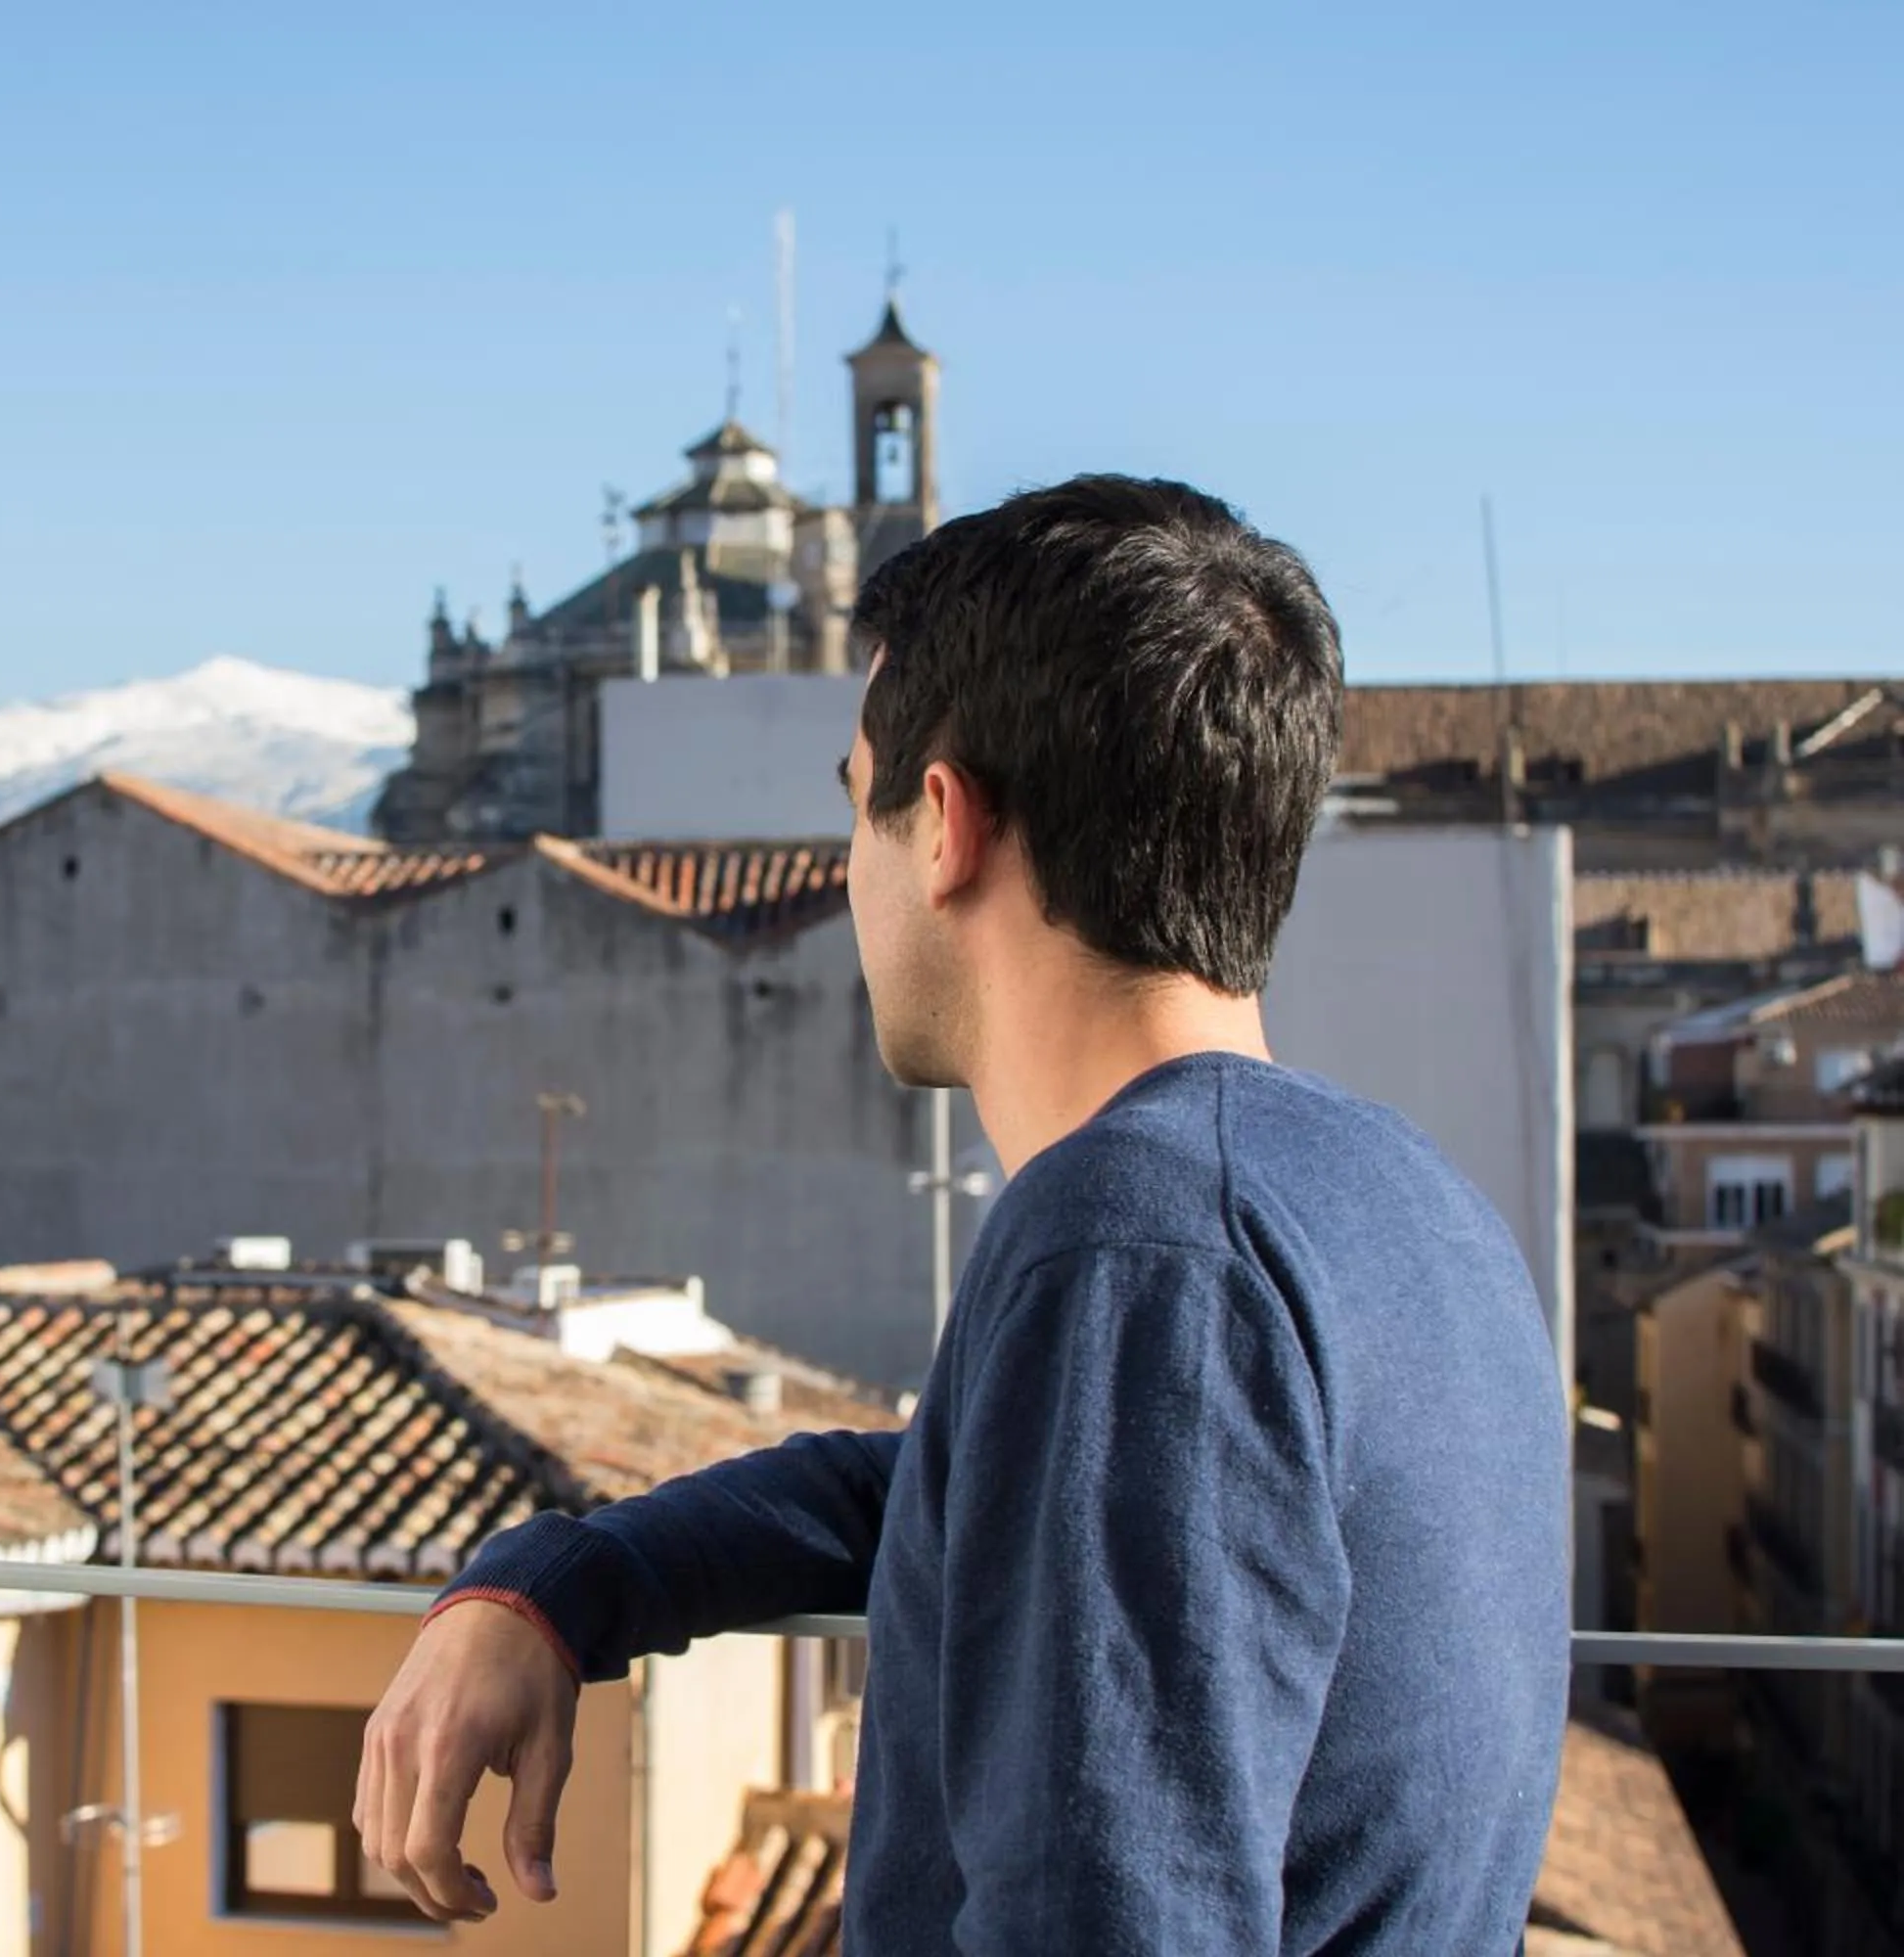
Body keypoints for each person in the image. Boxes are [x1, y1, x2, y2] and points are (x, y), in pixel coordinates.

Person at [354, 476, 1570, 1953]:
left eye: (851, 799)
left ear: (942, 823)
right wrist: (566, 1584)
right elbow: (991, 1493)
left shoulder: (1141, 1250)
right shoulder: (1402, 1206)